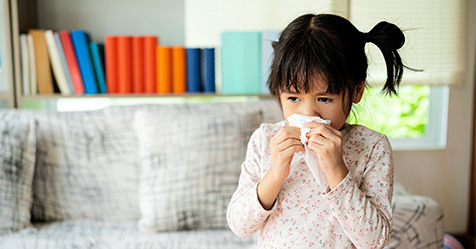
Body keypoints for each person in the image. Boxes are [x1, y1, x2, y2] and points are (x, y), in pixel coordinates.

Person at [227, 13, 408, 249]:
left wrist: (336, 170)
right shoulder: (265, 140)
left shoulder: (372, 147)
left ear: (357, 90)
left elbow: (374, 241)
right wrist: (275, 173)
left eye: (324, 99)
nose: (308, 113)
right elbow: (240, 226)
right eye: (293, 97)